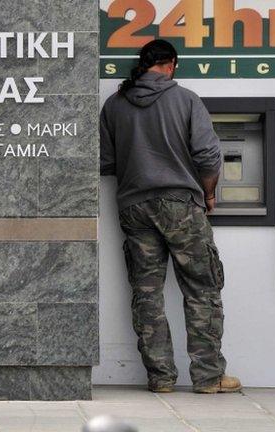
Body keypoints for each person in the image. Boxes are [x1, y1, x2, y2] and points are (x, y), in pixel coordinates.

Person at [99, 39, 241, 394]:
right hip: (180, 204)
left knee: (147, 293)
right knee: (202, 288)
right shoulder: (186, 99)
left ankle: (160, 377)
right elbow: (209, 156)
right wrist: (208, 193)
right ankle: (208, 378)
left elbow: (105, 161)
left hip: (134, 208)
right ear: (171, 64)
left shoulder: (114, 105)